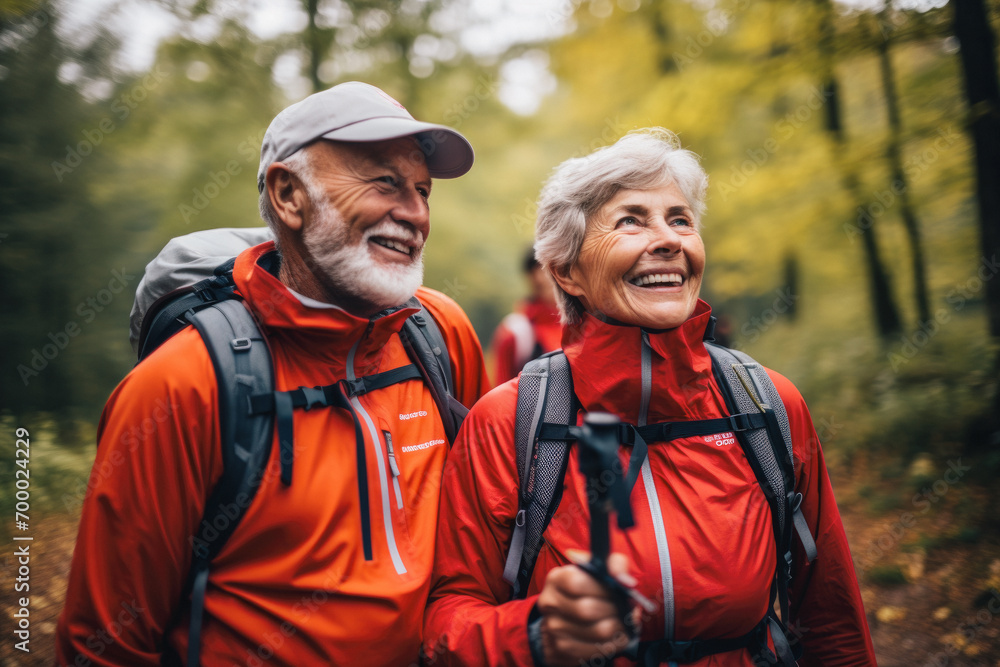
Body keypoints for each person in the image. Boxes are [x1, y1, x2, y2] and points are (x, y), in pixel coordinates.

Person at [57, 81, 490, 666]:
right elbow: (103, 646)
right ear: (289, 195)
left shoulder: (440, 335)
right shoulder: (184, 385)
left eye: (422, 191)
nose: (414, 213)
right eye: (385, 182)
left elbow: (482, 552)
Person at [423, 128, 877, 666]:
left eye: (680, 219)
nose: (669, 240)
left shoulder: (766, 405)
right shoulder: (507, 422)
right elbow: (448, 617)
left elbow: (829, 615)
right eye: (631, 220)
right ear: (568, 272)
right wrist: (536, 633)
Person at [490, 248, 562, 385]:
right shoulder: (515, 331)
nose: (546, 276)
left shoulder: (585, 324)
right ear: (532, 277)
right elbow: (501, 390)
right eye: (541, 269)